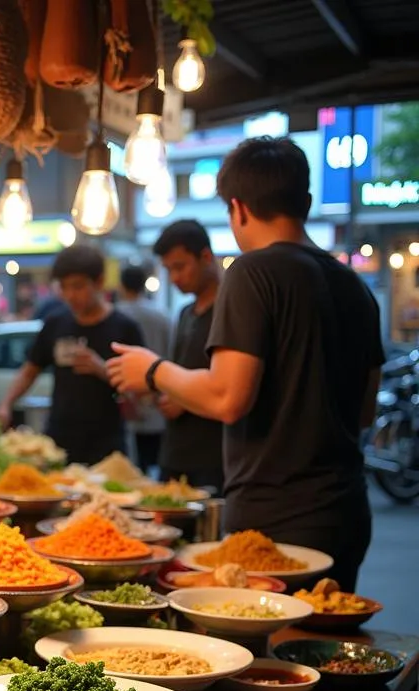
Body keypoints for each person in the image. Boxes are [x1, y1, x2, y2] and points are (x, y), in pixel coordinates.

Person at [107, 137, 383, 589]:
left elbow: (228, 397)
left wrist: (153, 370)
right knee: (319, 647)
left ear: (237, 208)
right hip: (347, 512)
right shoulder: (356, 287)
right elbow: (365, 411)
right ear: (306, 202)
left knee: (271, 656)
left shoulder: (253, 272)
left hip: (276, 520)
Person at [0, 245, 144, 465]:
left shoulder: (124, 328)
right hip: (58, 441)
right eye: (63, 287)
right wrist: (5, 404)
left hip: (107, 445)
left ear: (99, 282)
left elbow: (140, 394)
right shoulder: (55, 323)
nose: (70, 295)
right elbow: (30, 370)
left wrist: (101, 369)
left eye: (78, 286)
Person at [150, 220, 225, 492]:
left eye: (180, 267)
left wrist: (184, 397)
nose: (174, 278)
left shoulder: (230, 310)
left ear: (206, 257)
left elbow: (229, 387)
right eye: (169, 270)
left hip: (214, 457)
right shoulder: (184, 313)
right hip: (174, 453)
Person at [115, 264, 170, 474]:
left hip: (128, 397)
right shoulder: (161, 315)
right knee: (155, 463)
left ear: (122, 285)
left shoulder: (118, 314)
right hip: (159, 394)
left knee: (131, 468)